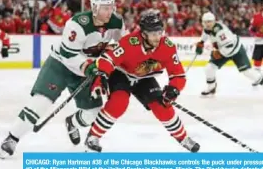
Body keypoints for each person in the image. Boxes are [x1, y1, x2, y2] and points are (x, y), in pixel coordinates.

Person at [0, 0, 125, 159]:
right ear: (94, 7)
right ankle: (12, 138)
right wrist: (90, 66)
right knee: (40, 103)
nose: (109, 11)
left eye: (111, 7)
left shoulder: (116, 22)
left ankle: (72, 122)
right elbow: (68, 55)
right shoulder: (78, 24)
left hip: (87, 70)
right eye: (104, 7)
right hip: (61, 66)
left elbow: (121, 47)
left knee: (93, 112)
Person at [80, 10, 200, 152]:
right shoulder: (129, 42)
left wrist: (174, 88)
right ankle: (93, 137)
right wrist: (102, 76)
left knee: (162, 105)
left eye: (159, 32)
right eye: (153, 34)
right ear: (143, 34)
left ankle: (183, 138)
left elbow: (178, 75)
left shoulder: (167, 47)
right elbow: (108, 59)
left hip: (144, 77)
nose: (157, 37)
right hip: (121, 74)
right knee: (119, 103)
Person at [195, 11, 263, 97]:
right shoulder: (208, 29)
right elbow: (205, 33)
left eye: (209, 22)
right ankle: (211, 87)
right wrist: (201, 42)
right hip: (223, 51)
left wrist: (218, 53)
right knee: (209, 68)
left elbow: (229, 46)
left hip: (236, 50)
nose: (207, 24)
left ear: (214, 21)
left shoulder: (220, 32)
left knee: (248, 72)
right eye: (205, 22)